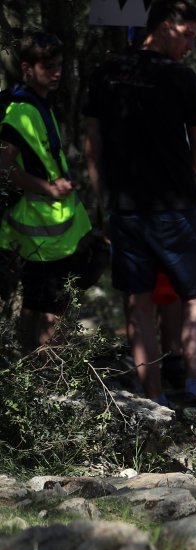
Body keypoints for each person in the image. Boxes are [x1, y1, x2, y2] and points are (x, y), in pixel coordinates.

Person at [83, 0, 196, 408]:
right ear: (165, 27)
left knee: (137, 300)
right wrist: (176, 176)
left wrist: (103, 199)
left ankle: (152, 396)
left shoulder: (105, 73)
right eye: (187, 34)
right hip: (176, 206)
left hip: (125, 207)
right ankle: (194, 393)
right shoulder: (181, 77)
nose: (190, 45)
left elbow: (93, 146)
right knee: (194, 297)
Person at [0, 32, 93, 351]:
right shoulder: (19, 110)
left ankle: (39, 375)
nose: (56, 72)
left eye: (59, 65)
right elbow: (4, 165)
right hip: (40, 229)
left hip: (54, 229)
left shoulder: (40, 104)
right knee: (48, 305)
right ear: (27, 67)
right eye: (48, 65)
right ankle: (44, 376)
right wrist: (47, 188)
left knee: (45, 301)